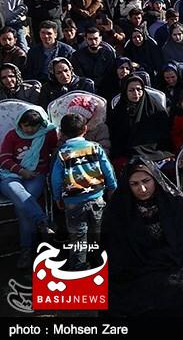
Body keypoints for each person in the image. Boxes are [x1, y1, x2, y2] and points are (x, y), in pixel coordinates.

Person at [100, 158, 183, 316]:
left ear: (155, 179)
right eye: (134, 184)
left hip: (173, 261)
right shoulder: (118, 210)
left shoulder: (173, 202)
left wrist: (166, 257)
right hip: (136, 267)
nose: (142, 189)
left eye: (146, 181)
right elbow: (116, 251)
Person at [51, 113, 116, 270]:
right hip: (97, 198)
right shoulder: (95, 147)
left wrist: (57, 197)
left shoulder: (61, 153)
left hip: (73, 203)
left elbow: (56, 179)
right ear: (85, 129)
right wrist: (113, 188)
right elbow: (108, 170)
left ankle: (79, 269)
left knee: (78, 238)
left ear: (61, 132)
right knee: (98, 233)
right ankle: (99, 264)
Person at [0, 107, 58, 269]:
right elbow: (3, 158)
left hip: (36, 174)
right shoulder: (13, 134)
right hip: (10, 175)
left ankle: (26, 250)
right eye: (26, 126)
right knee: (21, 198)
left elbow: (55, 151)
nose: (29, 129)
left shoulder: (47, 133)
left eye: (33, 126)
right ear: (20, 123)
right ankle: (43, 222)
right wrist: (21, 171)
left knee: (23, 207)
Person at [108, 75, 170, 169]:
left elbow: (164, 133)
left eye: (139, 89)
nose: (136, 93)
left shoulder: (154, 107)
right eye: (131, 90)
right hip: (128, 150)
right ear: (125, 92)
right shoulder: (119, 111)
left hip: (152, 149)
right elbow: (116, 137)